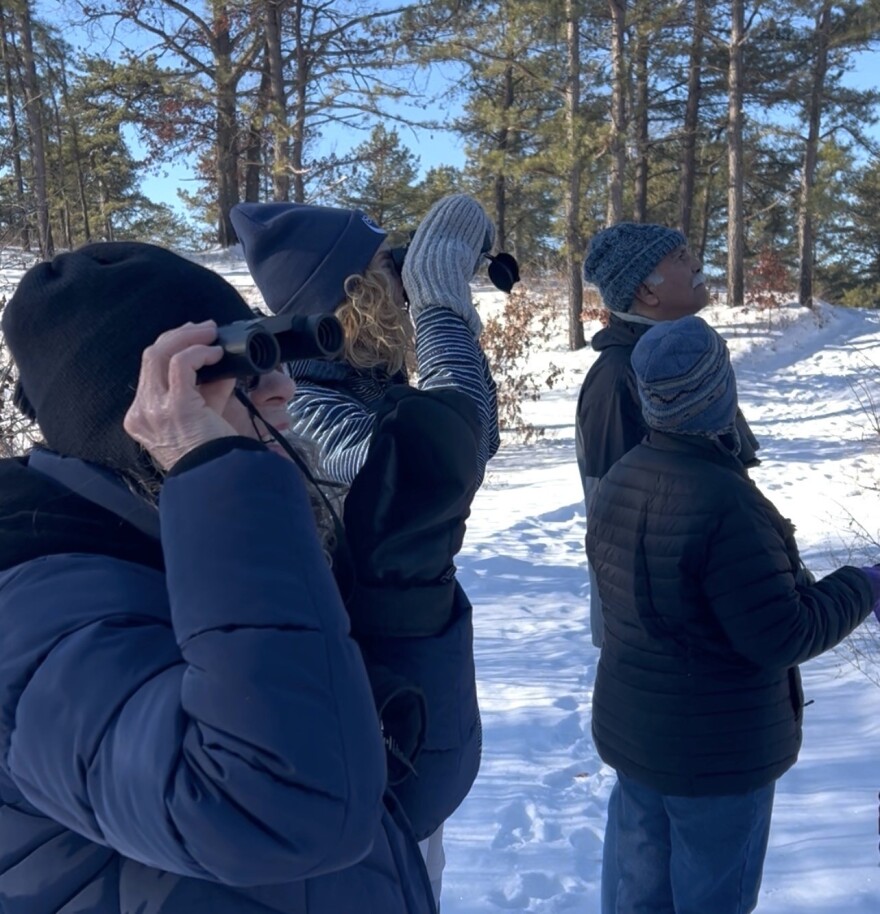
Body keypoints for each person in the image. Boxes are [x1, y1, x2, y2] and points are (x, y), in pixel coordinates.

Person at [0, 241, 482, 913]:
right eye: (240, 367)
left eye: (272, 354)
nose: (283, 384)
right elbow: (280, 813)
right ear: (141, 413)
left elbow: (406, 802)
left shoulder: (217, 549)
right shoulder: (33, 613)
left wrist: (403, 587)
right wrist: (219, 478)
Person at [230, 193, 502, 909]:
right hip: (365, 748)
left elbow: (459, 437)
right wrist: (443, 308)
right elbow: (441, 463)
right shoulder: (301, 410)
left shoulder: (361, 385)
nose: (407, 280)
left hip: (396, 725)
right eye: (392, 265)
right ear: (352, 294)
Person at [586, 314, 880, 914]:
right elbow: (784, 631)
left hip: (638, 738)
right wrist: (865, 584)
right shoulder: (725, 505)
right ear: (719, 392)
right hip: (715, 759)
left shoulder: (621, 478)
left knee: (637, 897)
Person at [575, 222, 761, 649]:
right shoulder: (618, 377)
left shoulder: (682, 363)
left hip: (712, 610)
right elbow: (619, 523)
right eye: (679, 258)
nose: (697, 263)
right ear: (647, 292)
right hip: (667, 638)